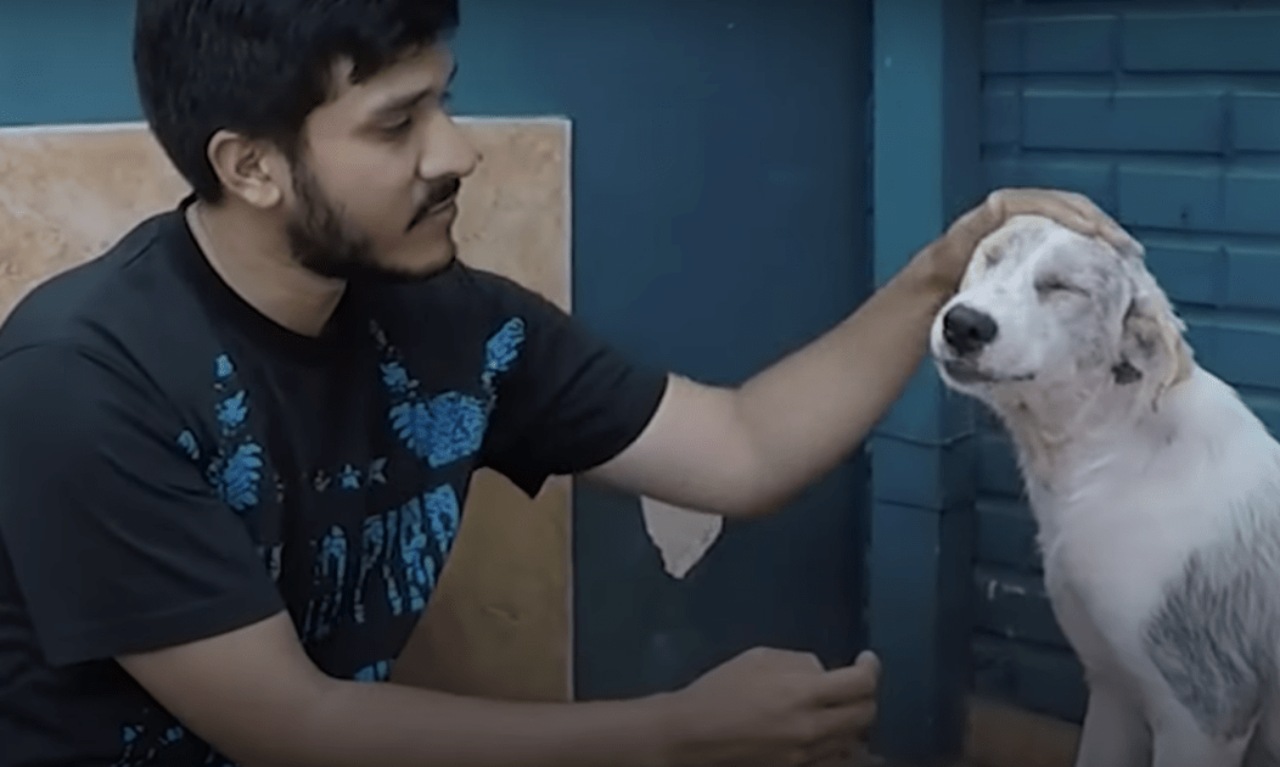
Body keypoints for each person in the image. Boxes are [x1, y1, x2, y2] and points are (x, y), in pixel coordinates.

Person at [0, 1, 1137, 766]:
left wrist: (933, 276)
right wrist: (673, 730)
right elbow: (289, 723)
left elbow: (740, 448)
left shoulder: (453, 322)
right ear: (249, 166)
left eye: (442, 101)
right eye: (399, 123)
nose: (456, 152)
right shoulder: (83, 378)